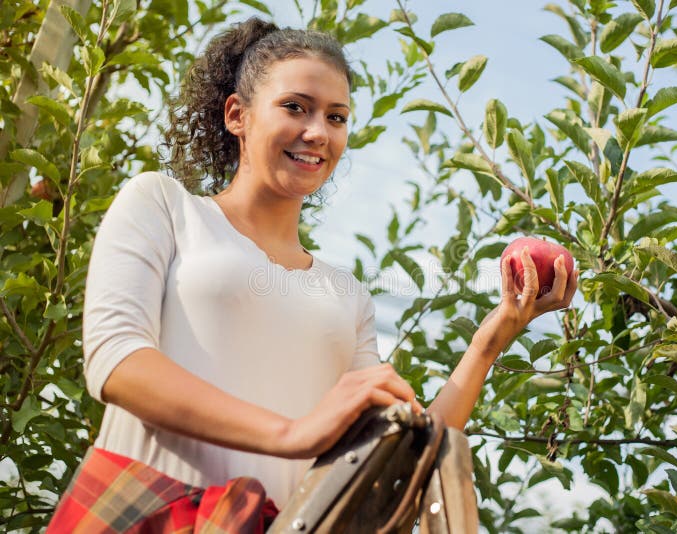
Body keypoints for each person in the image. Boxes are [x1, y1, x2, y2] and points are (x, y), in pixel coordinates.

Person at [48, 17, 578, 531]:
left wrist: (493, 338)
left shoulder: (346, 296)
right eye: (295, 107)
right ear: (238, 114)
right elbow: (117, 362)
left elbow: (397, 452)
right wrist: (291, 433)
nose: (317, 132)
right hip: (146, 513)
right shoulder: (163, 206)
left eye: (336, 117)